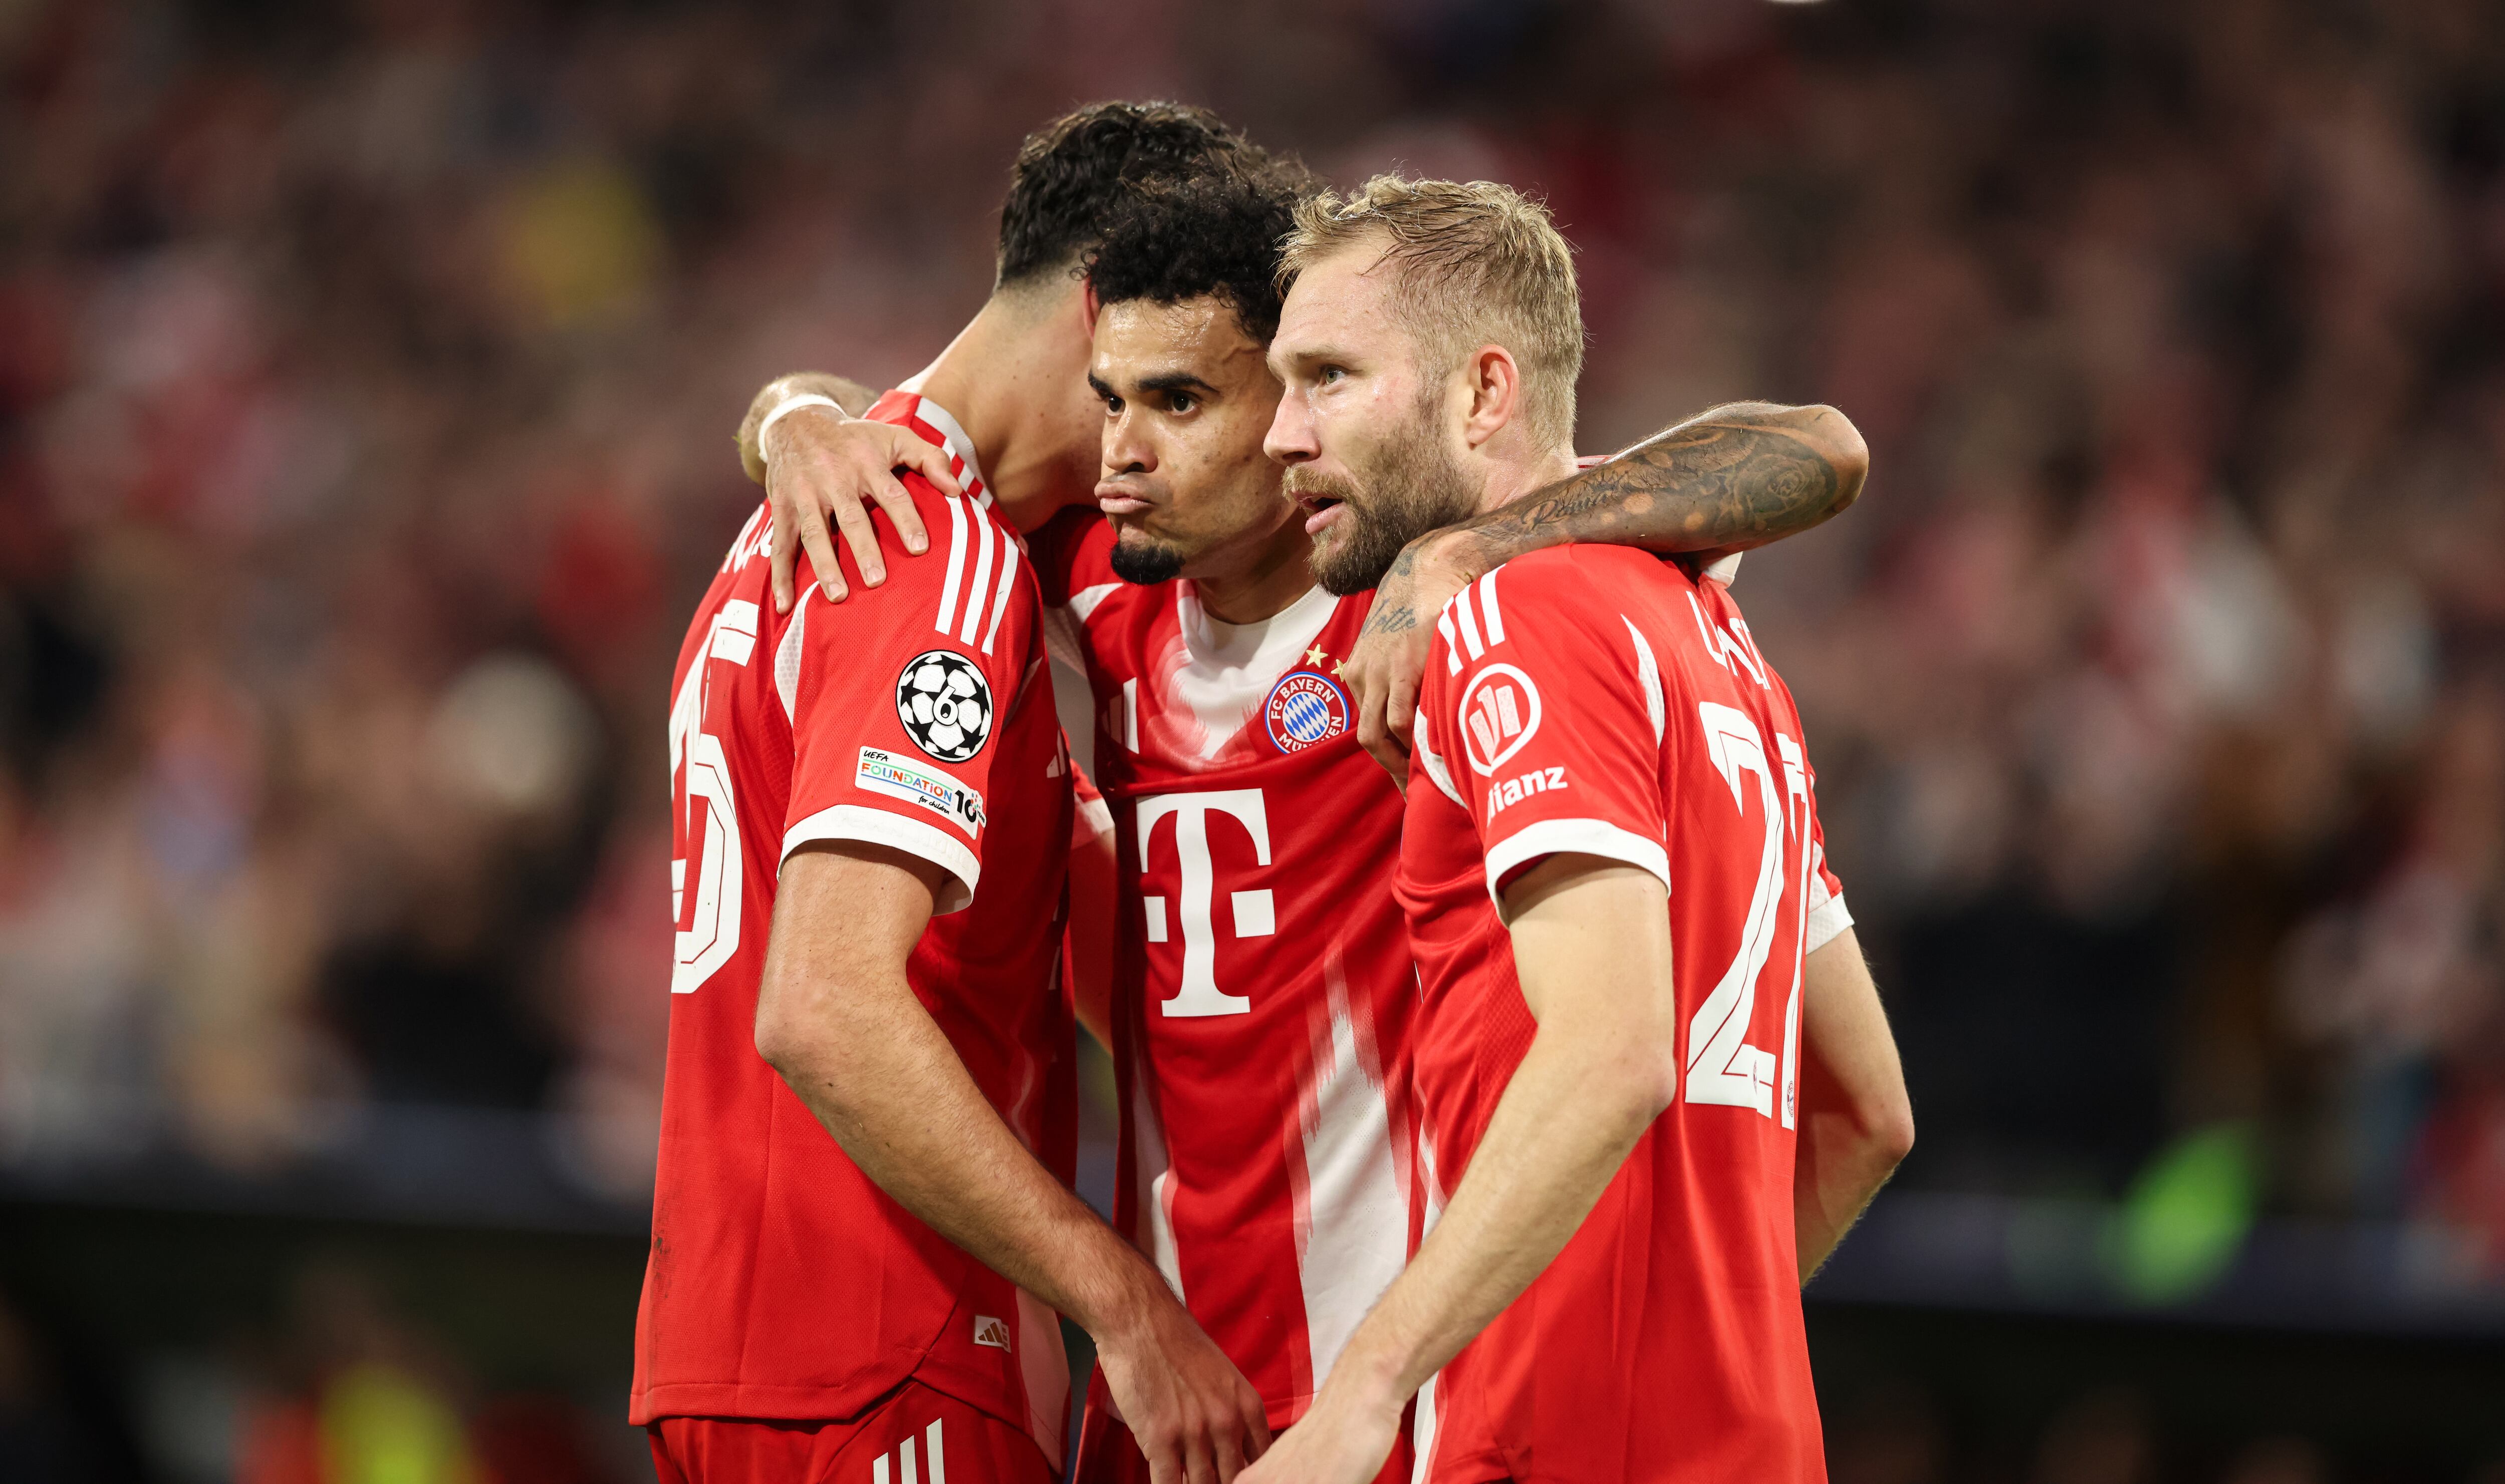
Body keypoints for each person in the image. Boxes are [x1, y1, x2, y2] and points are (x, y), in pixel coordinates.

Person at [742, 162, 1885, 1484]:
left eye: (1194, 400)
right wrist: (793, 416)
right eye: (1118, 402)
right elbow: (940, 433)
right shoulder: (1104, 590)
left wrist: (1473, 549)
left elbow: (1810, 449)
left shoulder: (1437, 600)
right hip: (1177, 1393)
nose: (1128, 451)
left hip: (1392, 1386)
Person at [1239, 177, 1915, 1484]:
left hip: (1554, 1434)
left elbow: (1611, 1053)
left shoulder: (1519, 616)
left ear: (1484, 393)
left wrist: (1362, 1393)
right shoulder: (1719, 643)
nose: (1281, 432)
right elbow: (1870, 1113)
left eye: (1327, 376)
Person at [635, 102, 1272, 1484]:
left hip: (736, 1343)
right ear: (1108, 307)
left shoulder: (828, 503)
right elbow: (828, 1004)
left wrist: (791, 410)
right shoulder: (938, 553)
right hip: (893, 1345)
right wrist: (1127, 1301)